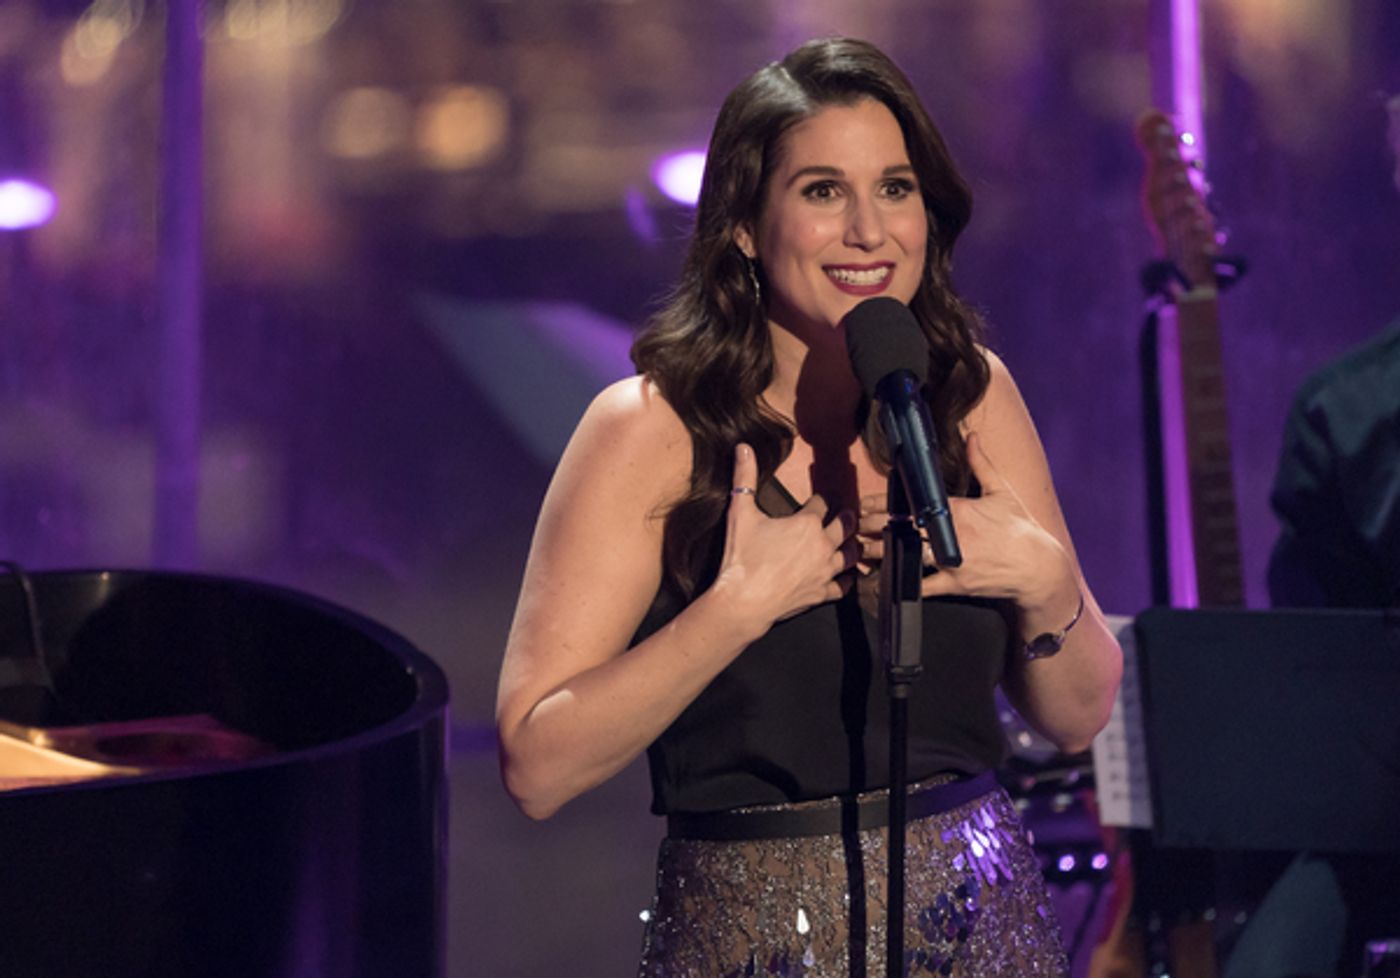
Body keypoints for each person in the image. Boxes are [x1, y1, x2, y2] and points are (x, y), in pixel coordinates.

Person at [495, 37, 1122, 978]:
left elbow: (1079, 717)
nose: (871, 231)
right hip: (753, 946)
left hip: (985, 935)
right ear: (745, 224)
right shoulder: (651, 431)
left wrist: (1045, 581)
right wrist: (734, 609)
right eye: (824, 191)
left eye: (897, 188)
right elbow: (538, 767)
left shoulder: (971, 398)